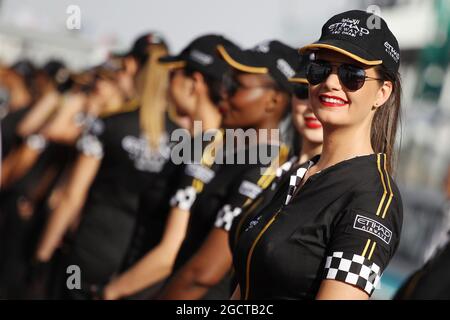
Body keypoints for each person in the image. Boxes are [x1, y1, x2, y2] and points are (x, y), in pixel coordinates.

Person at [231, 10, 403, 300]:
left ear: (382, 93)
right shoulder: (299, 174)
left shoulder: (374, 199)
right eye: (321, 69)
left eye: (353, 74)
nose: (331, 82)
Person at [157, 40, 308, 300]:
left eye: (236, 86)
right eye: (227, 82)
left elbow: (203, 273)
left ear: (273, 100)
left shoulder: (268, 166)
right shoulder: (229, 153)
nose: (223, 93)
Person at [33, 33, 174, 299]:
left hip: (90, 251)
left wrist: (42, 254)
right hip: (136, 267)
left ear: (131, 66)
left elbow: (72, 197)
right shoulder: (183, 138)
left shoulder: (108, 124)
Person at [101, 34, 240, 300]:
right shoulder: (212, 144)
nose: (167, 81)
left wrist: (112, 291)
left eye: (175, 72)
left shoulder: (205, 148)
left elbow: (170, 252)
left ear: (195, 83)